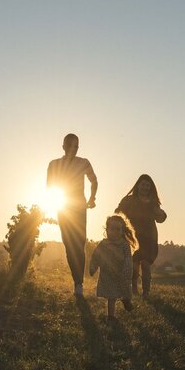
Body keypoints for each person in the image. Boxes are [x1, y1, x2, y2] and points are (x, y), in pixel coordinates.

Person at [46, 133, 97, 296]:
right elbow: (49, 187)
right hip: (64, 208)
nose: (72, 149)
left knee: (79, 244)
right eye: (69, 146)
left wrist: (92, 197)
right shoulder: (54, 164)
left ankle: (79, 284)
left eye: (76, 146)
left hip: (80, 208)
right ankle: (77, 280)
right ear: (63, 146)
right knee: (69, 245)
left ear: (78, 148)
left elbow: (94, 180)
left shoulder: (84, 162)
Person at [116, 174, 166, 296]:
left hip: (150, 237)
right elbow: (117, 213)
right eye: (143, 184)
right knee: (134, 264)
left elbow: (160, 218)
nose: (145, 187)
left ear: (151, 188)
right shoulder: (128, 200)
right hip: (133, 236)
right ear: (138, 185)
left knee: (146, 264)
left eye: (148, 186)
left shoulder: (153, 202)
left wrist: (162, 213)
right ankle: (134, 290)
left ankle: (146, 291)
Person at [88, 213, 135, 319]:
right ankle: (111, 316)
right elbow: (96, 256)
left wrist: (127, 273)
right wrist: (93, 267)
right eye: (112, 229)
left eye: (118, 229)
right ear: (107, 230)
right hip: (107, 276)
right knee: (111, 297)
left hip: (122, 274)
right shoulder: (103, 244)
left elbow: (128, 259)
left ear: (122, 231)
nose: (115, 232)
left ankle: (126, 300)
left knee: (125, 291)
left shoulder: (124, 245)